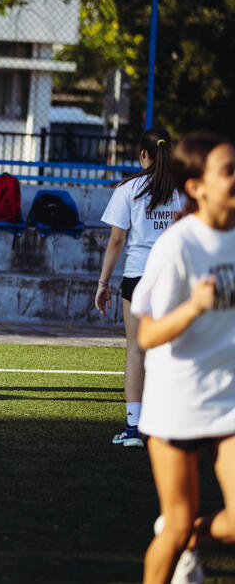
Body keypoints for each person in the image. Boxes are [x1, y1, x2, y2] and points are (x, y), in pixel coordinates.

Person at [131, 133, 235, 583]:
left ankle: (192, 538)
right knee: (172, 528)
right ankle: (181, 538)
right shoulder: (178, 245)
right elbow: (147, 334)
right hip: (177, 402)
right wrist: (194, 306)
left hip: (229, 397)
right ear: (197, 186)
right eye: (228, 170)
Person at [95, 128, 182, 447]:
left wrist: (103, 283)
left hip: (138, 277)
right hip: (173, 277)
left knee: (136, 349)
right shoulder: (183, 190)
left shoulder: (128, 188)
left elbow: (117, 240)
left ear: (143, 154)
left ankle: (135, 430)